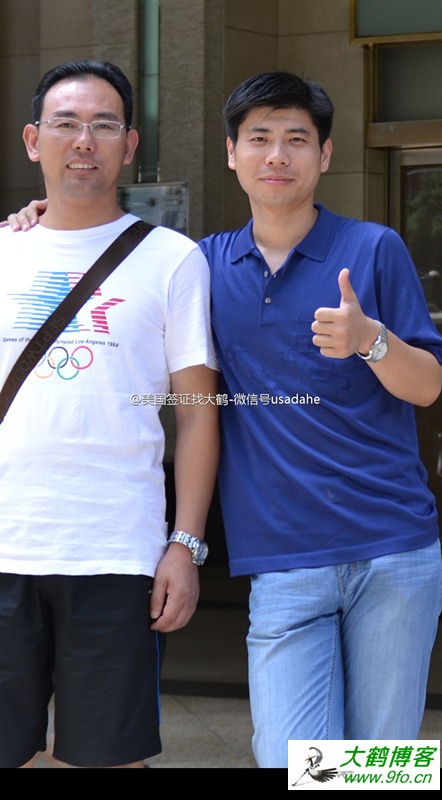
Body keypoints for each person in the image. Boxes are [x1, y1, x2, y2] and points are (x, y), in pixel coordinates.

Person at [5, 71, 442, 769]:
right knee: (291, 759)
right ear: (231, 153)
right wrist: (38, 214)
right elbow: (98, 251)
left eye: (296, 139)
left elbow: (428, 387)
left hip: (393, 548)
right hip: (282, 557)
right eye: (259, 138)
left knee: (380, 760)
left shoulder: (374, 248)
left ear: (325, 154)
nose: (277, 155)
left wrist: (371, 340)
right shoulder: (204, 262)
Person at [0, 60, 219, 769]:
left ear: (130, 145)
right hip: (4, 545)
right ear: (33, 139)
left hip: (118, 552)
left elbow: (198, 412)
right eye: (65, 123)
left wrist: (186, 545)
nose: (83, 140)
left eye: (103, 125)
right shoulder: (3, 250)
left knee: (109, 758)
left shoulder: (174, 260)